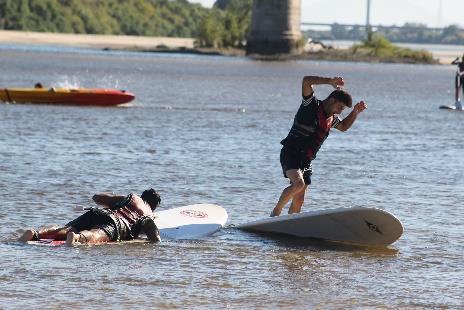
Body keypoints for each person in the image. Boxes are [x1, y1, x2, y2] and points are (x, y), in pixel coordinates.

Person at [271, 76, 367, 217]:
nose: (340, 111)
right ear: (333, 100)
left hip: (306, 160)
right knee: (298, 184)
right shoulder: (310, 105)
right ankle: (275, 213)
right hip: (291, 152)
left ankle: (289, 224)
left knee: (299, 199)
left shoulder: (331, 119)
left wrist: (355, 112)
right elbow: (306, 81)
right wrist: (330, 81)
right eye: (340, 107)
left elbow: (344, 126)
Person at [19, 188, 162, 246]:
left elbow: (97, 197)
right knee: (96, 233)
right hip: (115, 223)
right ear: (153, 206)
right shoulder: (148, 212)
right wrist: (157, 242)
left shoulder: (131, 198)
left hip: (97, 212)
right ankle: (77, 238)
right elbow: (153, 234)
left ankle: (36, 233)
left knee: (67, 228)